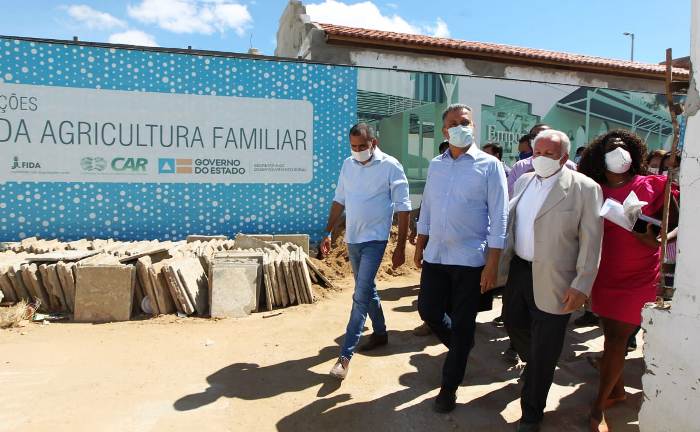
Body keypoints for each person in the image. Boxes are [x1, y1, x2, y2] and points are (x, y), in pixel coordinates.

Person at [499, 129, 603, 432]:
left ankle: (532, 412)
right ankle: (536, 366)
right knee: (513, 323)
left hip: (558, 279)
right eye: (537, 152)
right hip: (520, 270)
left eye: (549, 154)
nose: (541, 158)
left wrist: (581, 285)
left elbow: (591, 242)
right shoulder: (523, 181)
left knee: (545, 348)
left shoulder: (585, 188)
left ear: (564, 157)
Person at [577, 129, 678, 432]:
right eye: (611, 147)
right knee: (610, 334)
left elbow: (678, 224)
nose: (618, 151)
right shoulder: (591, 189)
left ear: (635, 153)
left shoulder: (654, 184)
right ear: (600, 155)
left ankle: (598, 406)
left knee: (615, 340)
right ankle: (617, 391)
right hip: (603, 274)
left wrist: (658, 240)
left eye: (624, 147)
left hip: (640, 274)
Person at [413, 103, 508, 413]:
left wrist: (493, 263)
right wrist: (420, 243)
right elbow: (428, 205)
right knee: (428, 310)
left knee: (464, 322)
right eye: (453, 123)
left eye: (464, 122)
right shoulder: (436, 165)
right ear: (444, 131)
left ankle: (449, 387)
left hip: (470, 258)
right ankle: (461, 346)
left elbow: (500, 215)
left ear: (473, 126)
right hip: (436, 255)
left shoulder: (490, 165)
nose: (459, 127)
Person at [322, 123, 412, 380]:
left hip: (376, 240)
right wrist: (328, 232)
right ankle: (381, 333)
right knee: (367, 288)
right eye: (353, 146)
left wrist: (400, 247)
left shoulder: (391, 166)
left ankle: (344, 357)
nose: (358, 150)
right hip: (353, 239)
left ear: (374, 142)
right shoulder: (348, 164)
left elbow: (403, 207)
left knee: (360, 296)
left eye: (362, 146)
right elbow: (339, 200)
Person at [507, 124, 578, 196]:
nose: (539, 138)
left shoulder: (570, 166)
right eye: (534, 136)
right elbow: (510, 195)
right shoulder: (520, 167)